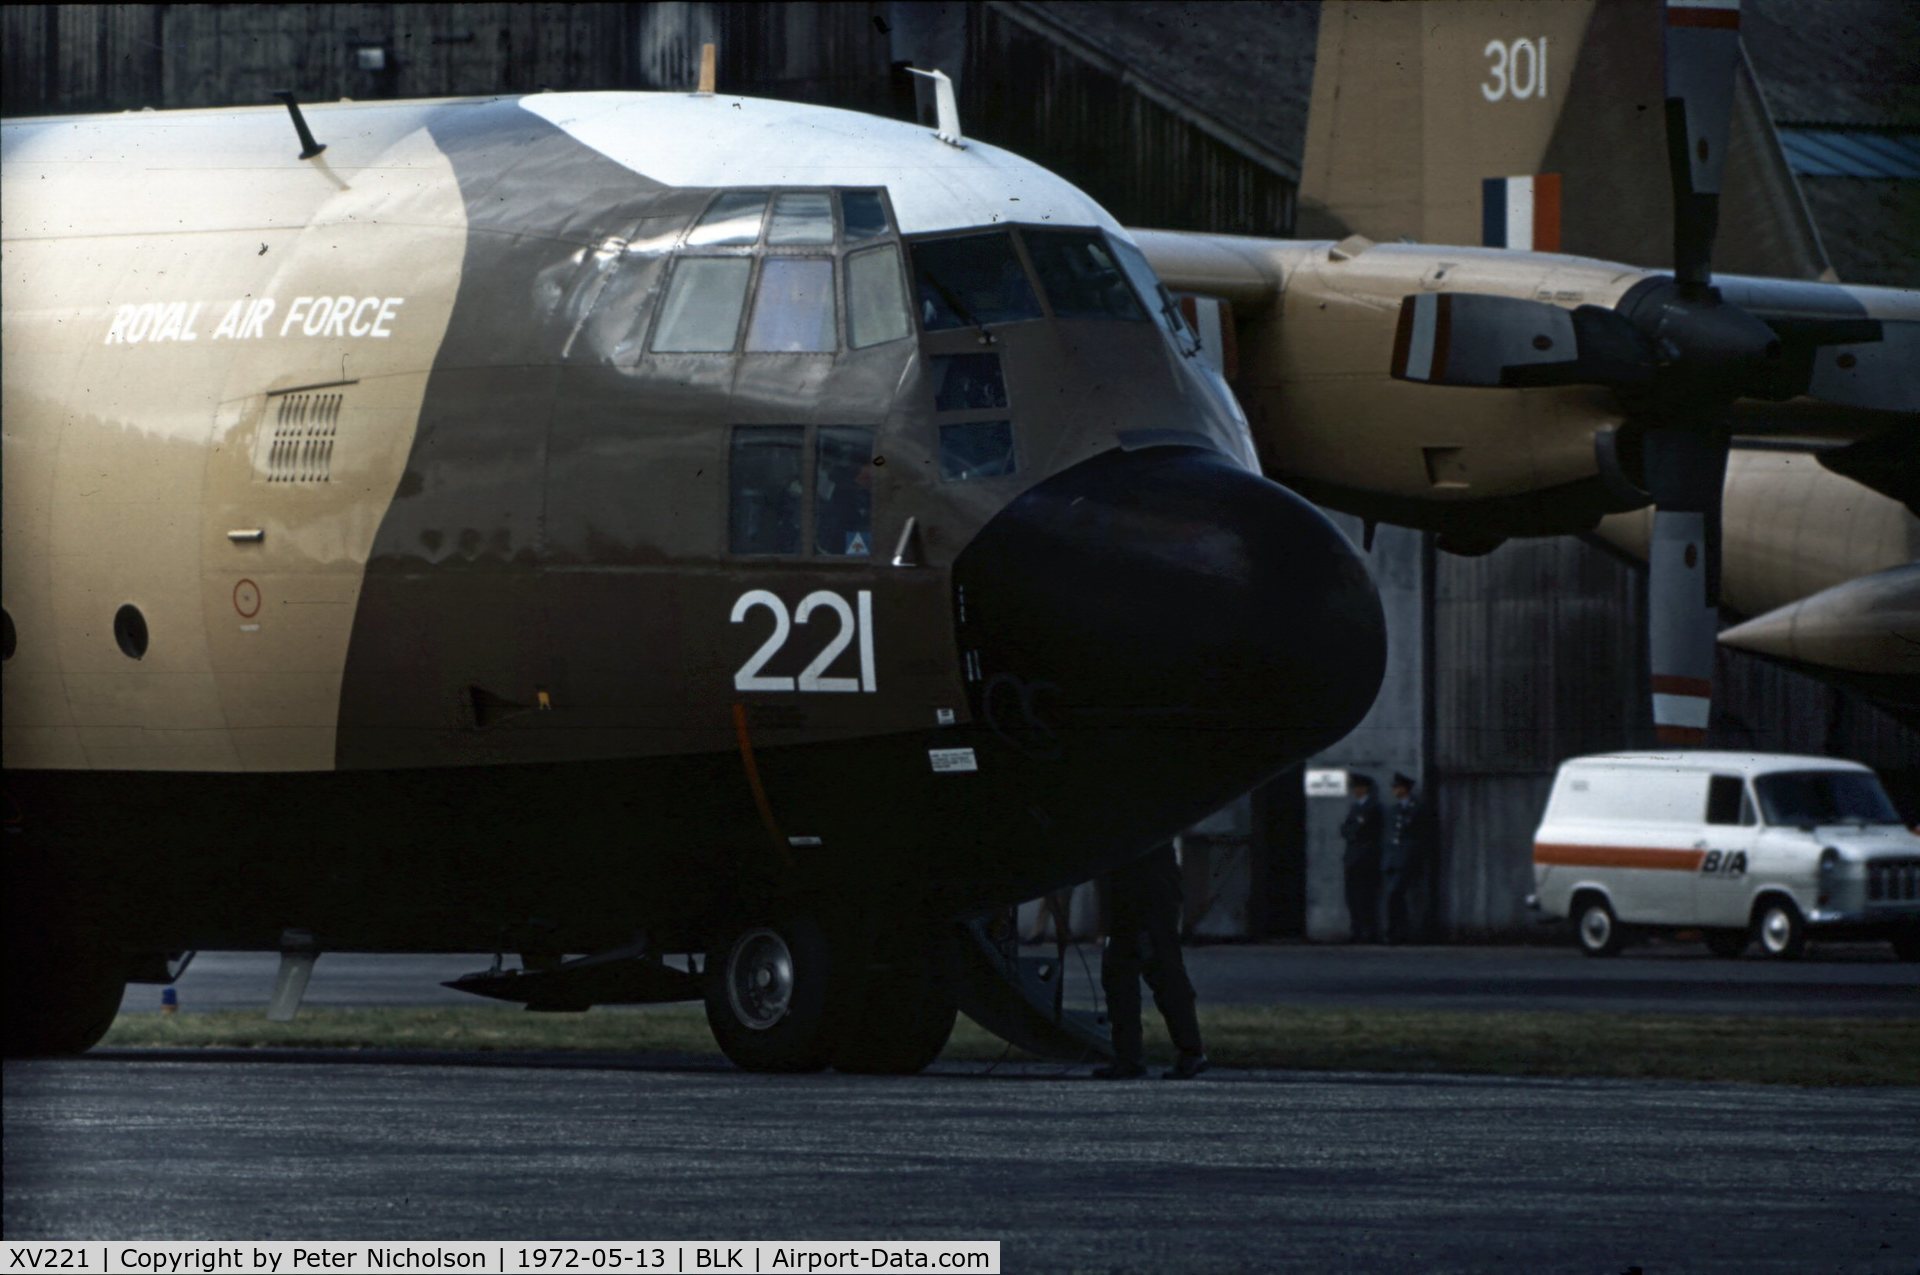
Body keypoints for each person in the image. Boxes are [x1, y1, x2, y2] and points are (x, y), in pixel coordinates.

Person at [1094, 842, 1208, 1080]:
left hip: (1144, 899)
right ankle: (1136, 1056)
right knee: (1127, 977)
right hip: (1138, 898)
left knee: (1159, 975)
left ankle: (1184, 1052)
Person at [1382, 772, 1437, 944]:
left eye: (1397, 787)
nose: (1394, 791)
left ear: (1405, 789)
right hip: (1394, 860)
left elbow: (1423, 835)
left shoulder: (1417, 809)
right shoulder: (1394, 810)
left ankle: (1399, 932)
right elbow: (1389, 836)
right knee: (1394, 897)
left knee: (1397, 895)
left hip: (1409, 859)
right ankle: (1397, 932)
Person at [1340, 773, 1383, 943]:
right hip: (1352, 858)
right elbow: (1345, 831)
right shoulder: (1355, 808)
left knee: (1366, 897)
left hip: (1366, 858)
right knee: (1352, 897)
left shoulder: (1373, 808)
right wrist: (1353, 830)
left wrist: (1353, 830)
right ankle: (1356, 930)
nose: (1355, 790)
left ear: (1365, 789)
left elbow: (1361, 831)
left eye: (1358, 787)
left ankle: (1369, 932)